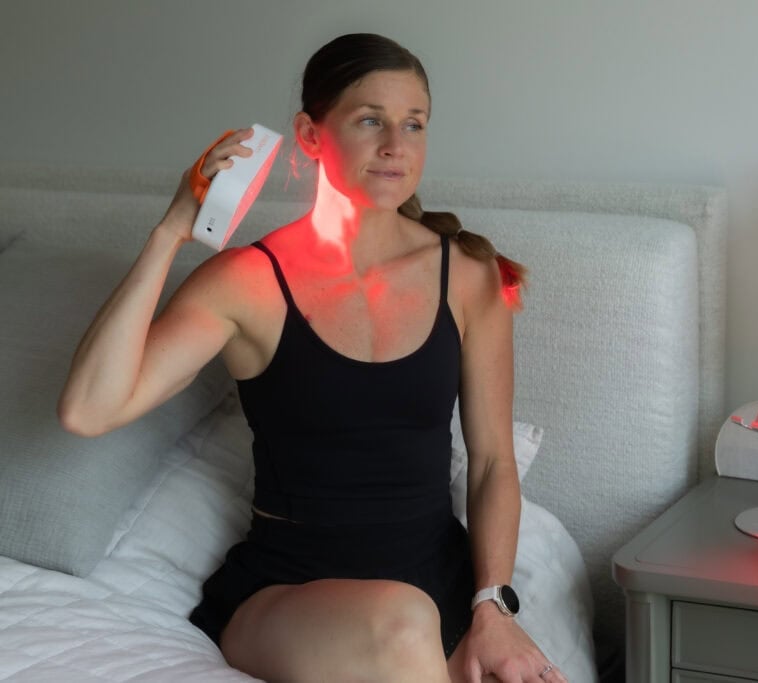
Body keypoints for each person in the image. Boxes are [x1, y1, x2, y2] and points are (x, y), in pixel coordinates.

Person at [58, 32, 566, 683]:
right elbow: (87, 409)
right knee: (403, 622)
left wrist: (491, 602)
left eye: (414, 124)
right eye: (369, 120)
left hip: (442, 583)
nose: (396, 145)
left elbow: (494, 462)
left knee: (421, 624)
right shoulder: (248, 282)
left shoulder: (468, 277)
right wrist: (170, 232)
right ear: (309, 134)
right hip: (286, 594)